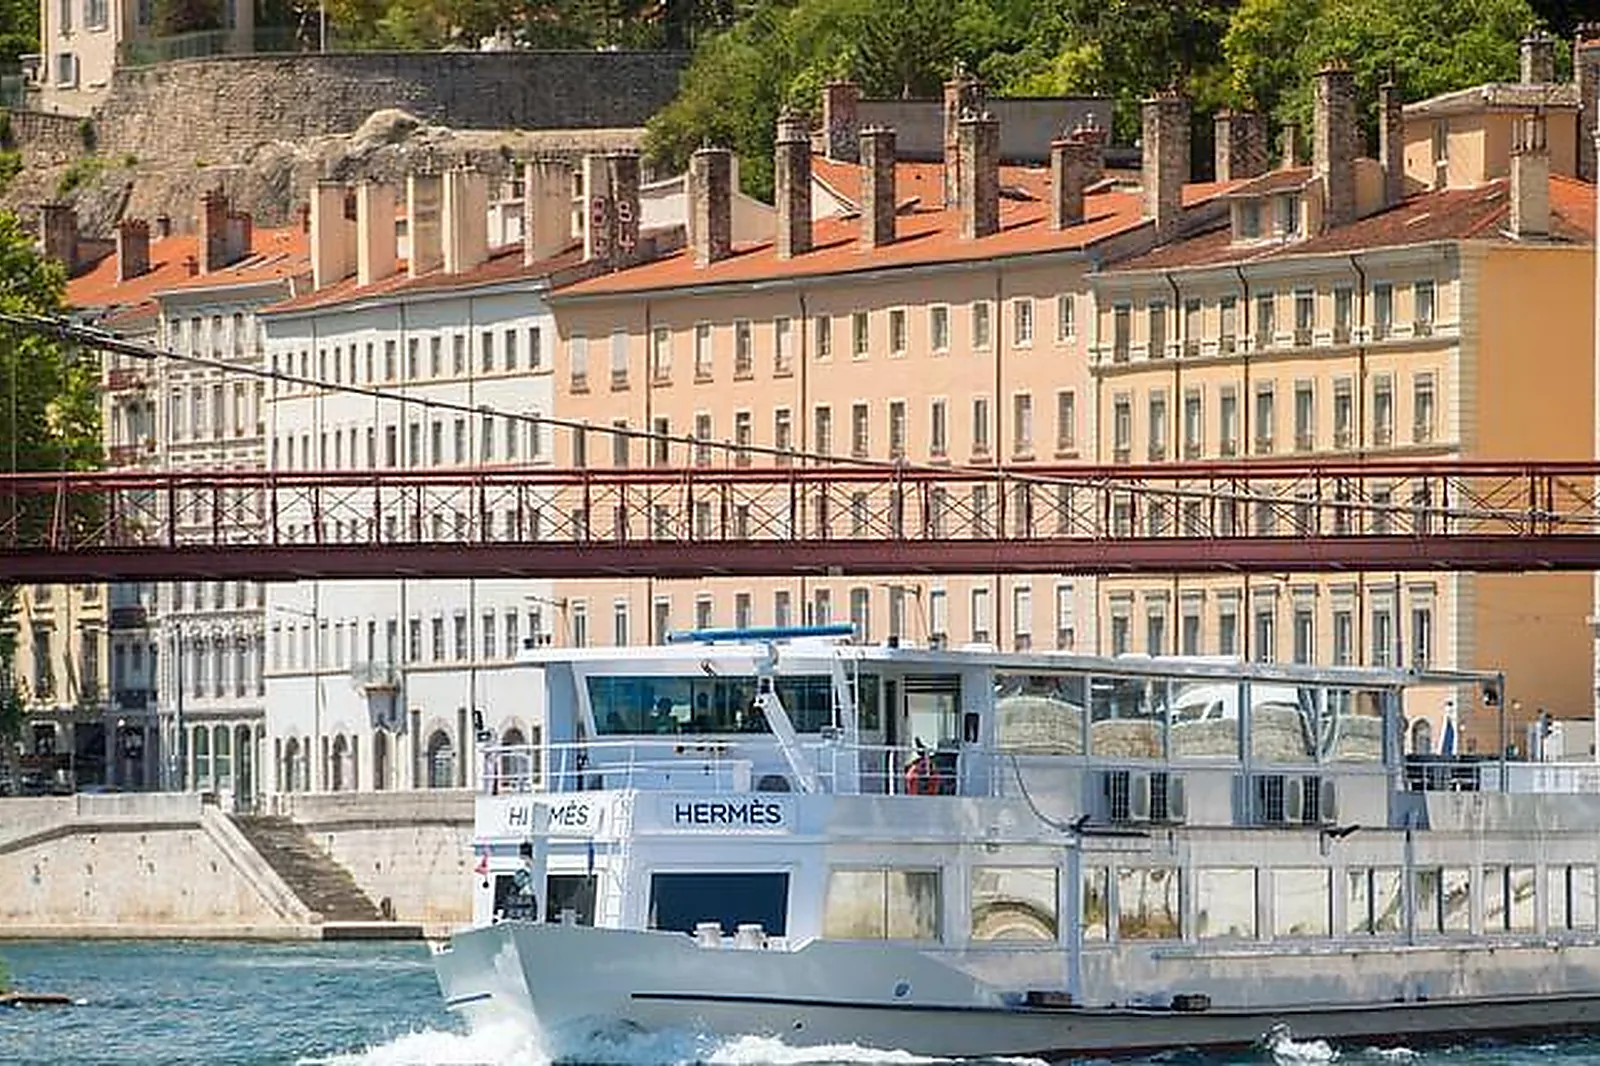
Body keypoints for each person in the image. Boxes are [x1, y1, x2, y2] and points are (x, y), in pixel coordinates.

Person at [510, 841, 539, 921]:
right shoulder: (523, 865)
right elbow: (518, 881)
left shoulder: (528, 865)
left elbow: (518, 881)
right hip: (526, 895)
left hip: (528, 895)